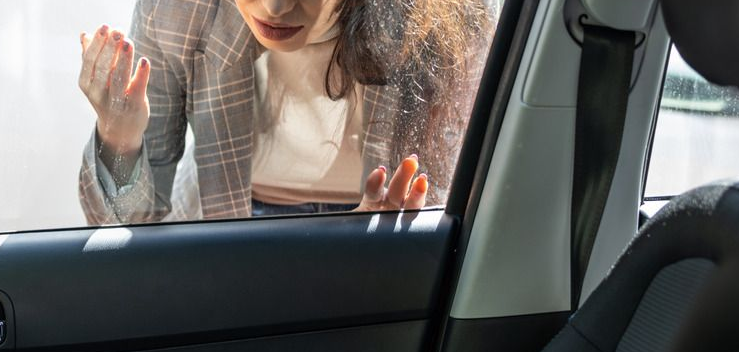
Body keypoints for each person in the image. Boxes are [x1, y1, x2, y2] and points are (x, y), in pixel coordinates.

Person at [78, 0, 494, 224]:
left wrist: (395, 235)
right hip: (225, 225)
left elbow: (459, 200)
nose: (274, 8)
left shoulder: (447, 17)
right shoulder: (178, 10)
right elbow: (126, 228)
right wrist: (118, 138)